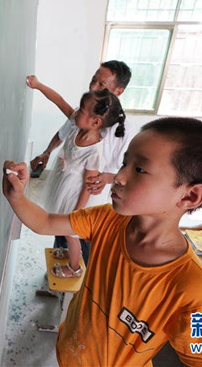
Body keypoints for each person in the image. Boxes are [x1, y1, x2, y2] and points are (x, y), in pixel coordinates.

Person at [2, 117, 202, 366]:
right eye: (125, 163)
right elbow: (46, 222)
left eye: (140, 170)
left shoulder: (190, 289)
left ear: (190, 195)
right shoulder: (106, 219)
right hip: (68, 352)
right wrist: (17, 197)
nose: (119, 177)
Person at [27, 60, 132, 264]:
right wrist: (46, 153)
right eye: (93, 80)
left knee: (78, 239)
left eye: (101, 85)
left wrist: (107, 178)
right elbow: (62, 127)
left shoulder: (119, 133)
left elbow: (128, 172)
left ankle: (76, 272)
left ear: (119, 90)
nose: (93, 87)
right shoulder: (82, 119)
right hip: (64, 189)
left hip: (87, 201)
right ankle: (62, 268)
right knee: (61, 232)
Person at [40, 89, 125, 278]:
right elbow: (60, 100)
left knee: (71, 233)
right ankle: (69, 253)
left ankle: (74, 267)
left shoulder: (94, 151)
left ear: (95, 122)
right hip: (63, 184)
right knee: (62, 226)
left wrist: (77, 213)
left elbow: (88, 186)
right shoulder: (78, 126)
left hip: (74, 196)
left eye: (81, 110)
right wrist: (38, 86)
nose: (76, 112)